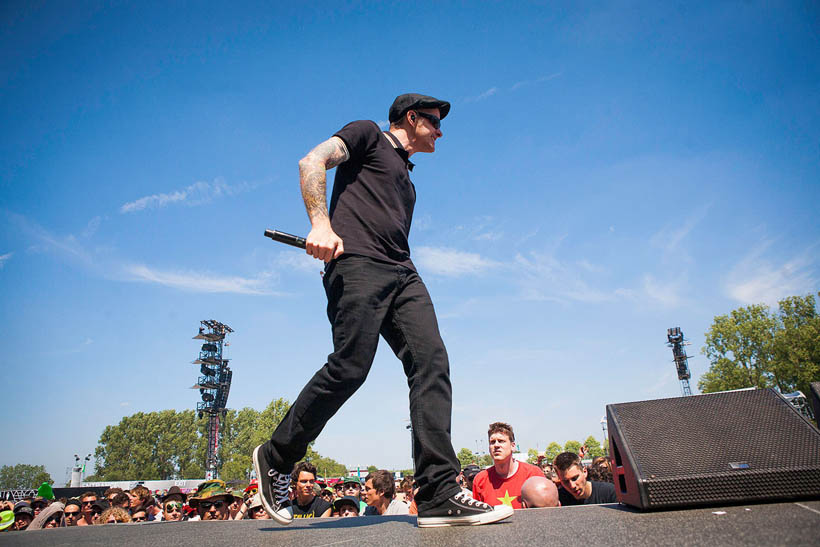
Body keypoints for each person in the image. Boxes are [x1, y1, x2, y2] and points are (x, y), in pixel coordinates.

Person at [252, 93, 513, 529]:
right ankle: (277, 456)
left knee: (432, 361)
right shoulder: (368, 134)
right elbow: (311, 162)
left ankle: (438, 493)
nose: (441, 131)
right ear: (411, 118)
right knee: (351, 368)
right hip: (357, 265)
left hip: (402, 273)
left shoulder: (408, 181)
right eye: (434, 121)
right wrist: (321, 223)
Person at [472, 422, 544, 509]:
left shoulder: (533, 474)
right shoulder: (480, 480)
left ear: (513, 446)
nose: (496, 445)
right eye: (492, 442)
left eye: (501, 441)